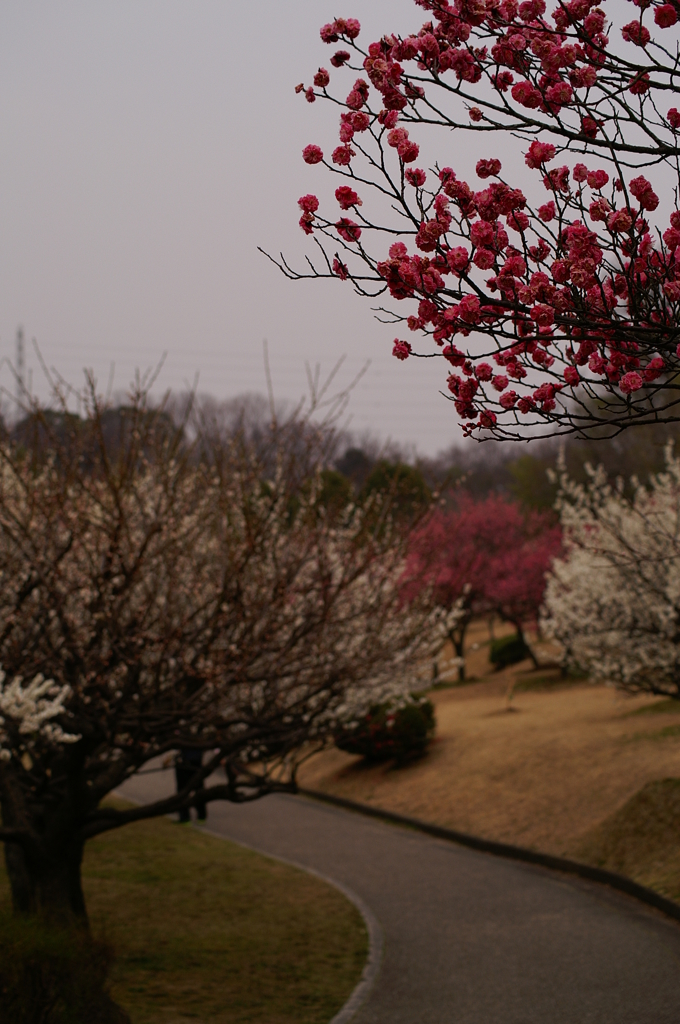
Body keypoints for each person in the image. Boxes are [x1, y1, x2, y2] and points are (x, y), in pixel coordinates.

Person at [174, 747, 207, 823]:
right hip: (196, 761)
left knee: (183, 789)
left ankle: (185, 817)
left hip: (184, 761)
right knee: (199, 788)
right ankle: (201, 815)